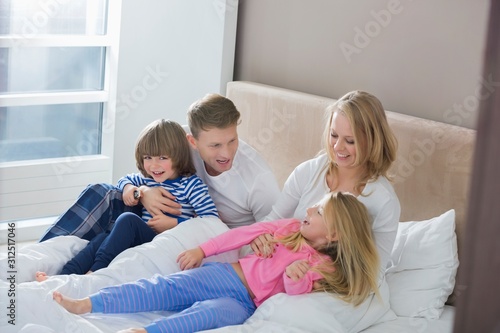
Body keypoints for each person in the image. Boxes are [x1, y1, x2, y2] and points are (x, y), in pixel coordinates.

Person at [52, 192, 380, 333]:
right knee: (163, 290)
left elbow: (295, 293)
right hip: (225, 276)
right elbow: (242, 235)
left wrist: (296, 277)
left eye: (319, 211)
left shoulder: (327, 267)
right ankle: (88, 304)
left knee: (206, 317)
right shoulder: (290, 228)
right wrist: (203, 251)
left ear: (336, 234)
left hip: (247, 304)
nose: (309, 210)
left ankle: (146, 331)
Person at [39, 94, 280, 242]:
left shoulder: (259, 179)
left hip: (208, 235)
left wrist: (177, 226)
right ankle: (45, 253)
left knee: (121, 228)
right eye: (215, 145)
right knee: (101, 191)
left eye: (232, 140)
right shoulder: (181, 141)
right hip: (153, 218)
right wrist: (143, 193)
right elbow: (147, 171)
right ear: (192, 142)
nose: (226, 153)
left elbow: (277, 234)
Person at [36, 119, 219, 281]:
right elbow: (124, 180)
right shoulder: (147, 179)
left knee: (127, 221)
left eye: (162, 158)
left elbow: (210, 222)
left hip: (165, 243)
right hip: (144, 238)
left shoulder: (192, 185)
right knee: (101, 238)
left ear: (178, 156)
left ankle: (95, 273)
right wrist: (130, 189)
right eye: (148, 158)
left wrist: (175, 223)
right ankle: (61, 277)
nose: (154, 165)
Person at [252, 90, 401, 281]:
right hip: (280, 275)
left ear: (372, 141)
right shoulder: (308, 172)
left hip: (331, 286)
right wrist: (260, 236)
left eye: (350, 141)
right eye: (334, 135)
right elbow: (273, 220)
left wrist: (314, 280)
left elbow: (373, 273)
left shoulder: (383, 201)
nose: (338, 147)